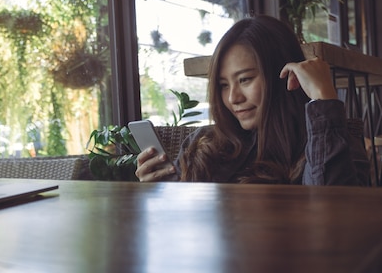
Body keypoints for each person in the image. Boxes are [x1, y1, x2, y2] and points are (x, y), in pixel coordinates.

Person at [135, 14, 370, 185]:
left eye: (245, 79)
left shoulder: (331, 145)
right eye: (223, 85)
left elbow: (331, 214)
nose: (232, 98)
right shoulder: (203, 144)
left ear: (283, 76)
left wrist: (323, 98)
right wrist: (161, 190)